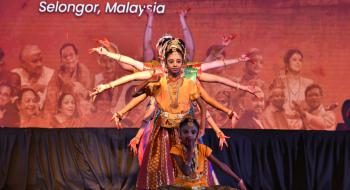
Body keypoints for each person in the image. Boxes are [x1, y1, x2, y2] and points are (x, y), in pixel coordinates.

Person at [111, 39, 237, 189]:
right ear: (165, 61)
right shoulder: (159, 78)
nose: (175, 64)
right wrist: (148, 81)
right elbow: (136, 93)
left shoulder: (189, 80)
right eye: (171, 61)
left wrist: (204, 127)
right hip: (162, 131)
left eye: (178, 61)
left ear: (183, 61)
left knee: (188, 167)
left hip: (184, 132)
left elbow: (204, 104)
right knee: (160, 167)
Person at [167, 116, 247, 189]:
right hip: (183, 187)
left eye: (193, 132)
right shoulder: (176, 149)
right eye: (185, 132)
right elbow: (186, 172)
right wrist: (190, 150)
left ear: (197, 135)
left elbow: (221, 165)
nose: (189, 135)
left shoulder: (202, 148)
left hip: (201, 186)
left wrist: (239, 180)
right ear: (179, 134)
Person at [46, 43, 92, 116]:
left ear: (77, 57)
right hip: (64, 107)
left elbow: (88, 95)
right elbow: (51, 93)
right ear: (61, 60)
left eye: (71, 55)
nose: (68, 59)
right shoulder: (58, 72)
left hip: (82, 107)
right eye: (65, 56)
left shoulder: (83, 71)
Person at [278, 49, 314, 129]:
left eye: (300, 60)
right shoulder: (279, 82)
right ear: (287, 63)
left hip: (303, 126)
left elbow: (313, 107)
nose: (298, 63)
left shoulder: (309, 84)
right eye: (294, 60)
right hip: (281, 126)